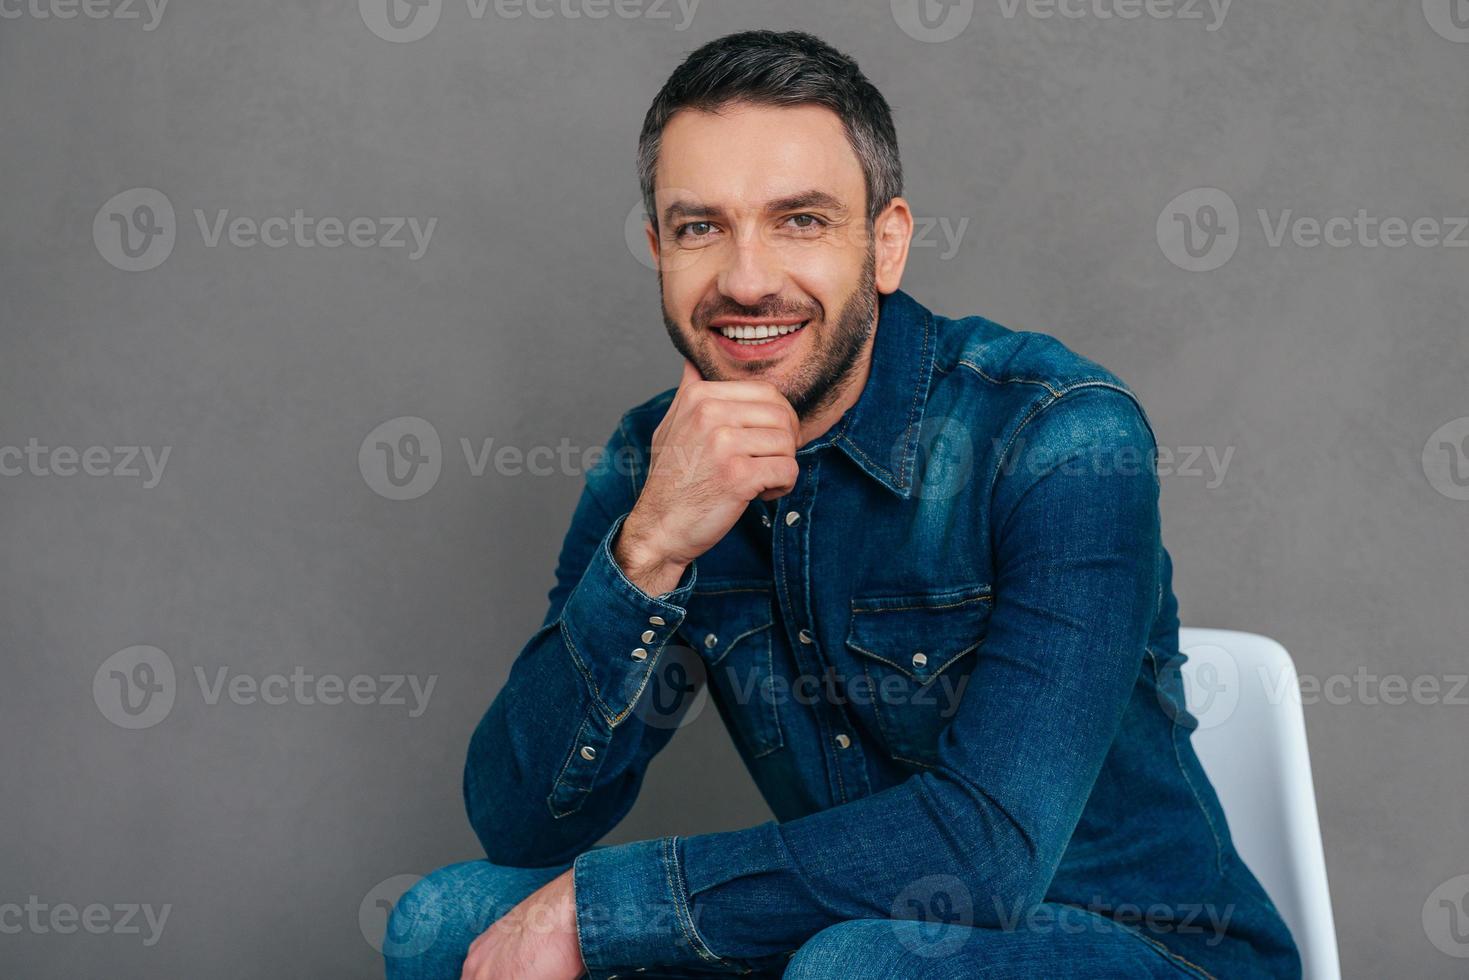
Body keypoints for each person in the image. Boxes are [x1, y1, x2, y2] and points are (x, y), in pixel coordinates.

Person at [385, 29, 1302, 980]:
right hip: (846, 929)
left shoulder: (1060, 438)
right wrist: (648, 548)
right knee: (443, 921)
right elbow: (522, 820)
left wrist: (602, 904)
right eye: (701, 227)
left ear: (886, 243)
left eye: (801, 220)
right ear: (657, 248)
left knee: (855, 966)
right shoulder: (657, 458)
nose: (745, 279)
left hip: (1144, 946)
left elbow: (985, 856)